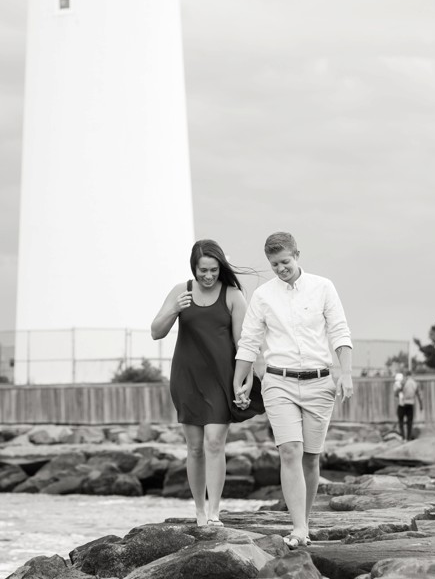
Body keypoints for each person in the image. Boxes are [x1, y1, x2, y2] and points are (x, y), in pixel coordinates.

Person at [233, 232, 353, 550]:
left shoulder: (323, 287)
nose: (281, 268)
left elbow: (340, 330)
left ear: (297, 255)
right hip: (278, 381)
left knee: (311, 459)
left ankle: (305, 521)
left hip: (320, 382)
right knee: (290, 452)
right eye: (274, 265)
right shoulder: (262, 295)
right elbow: (249, 340)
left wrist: (346, 374)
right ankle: (298, 528)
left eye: (285, 262)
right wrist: (240, 379)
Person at [151, 239, 249, 527]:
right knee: (194, 448)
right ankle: (199, 512)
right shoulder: (181, 291)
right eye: (202, 270)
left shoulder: (233, 295)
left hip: (220, 378)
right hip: (187, 378)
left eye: (214, 270)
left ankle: (215, 512)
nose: (208, 276)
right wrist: (174, 310)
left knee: (215, 442)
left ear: (221, 268)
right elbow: (156, 331)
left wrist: (242, 382)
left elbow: (243, 343)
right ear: (193, 268)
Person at [398, 369, 422, 441]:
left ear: (406, 375)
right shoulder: (415, 383)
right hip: (411, 403)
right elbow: (419, 395)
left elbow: (398, 391)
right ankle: (408, 437)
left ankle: (403, 437)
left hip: (403, 403)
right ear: (411, 375)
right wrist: (421, 404)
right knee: (409, 421)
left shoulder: (404, 382)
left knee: (401, 421)